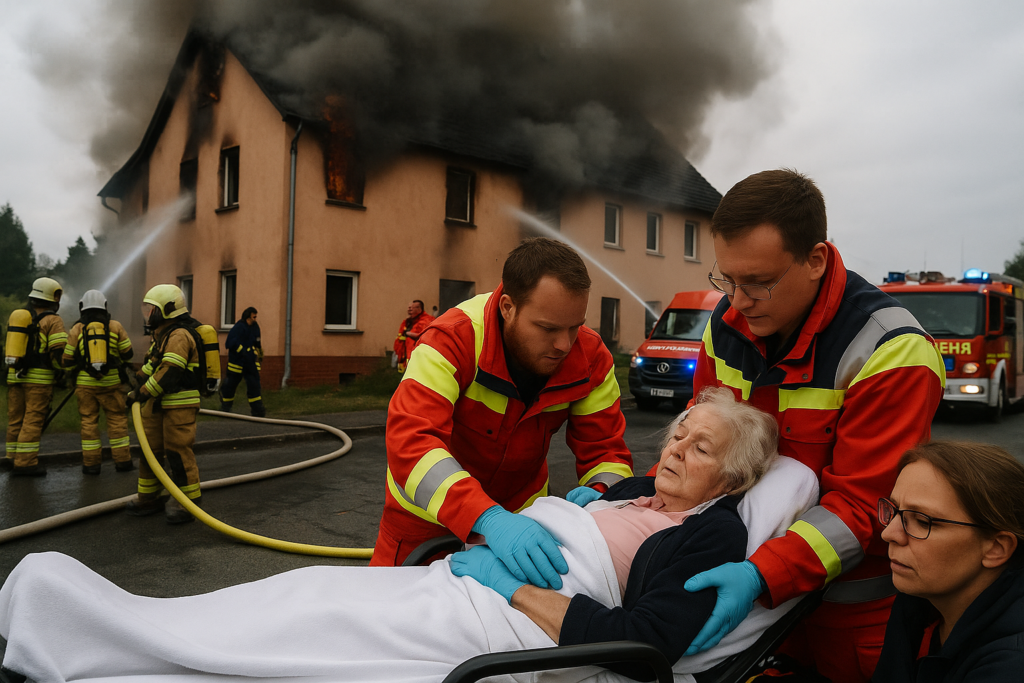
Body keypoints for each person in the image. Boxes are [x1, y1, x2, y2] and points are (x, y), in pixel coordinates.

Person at [0, 391, 815, 683]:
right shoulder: (636, 489)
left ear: (733, 479)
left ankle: (85, 639)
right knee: (303, 592)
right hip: (459, 577)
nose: (672, 449)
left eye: (698, 448)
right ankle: (80, 618)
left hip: (506, 616)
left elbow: (644, 643)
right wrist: (542, 517)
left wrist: (511, 584)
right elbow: (420, 440)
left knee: (313, 623)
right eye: (677, 434)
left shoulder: (710, 539)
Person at [678, 169, 946, 683]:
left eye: (758, 282)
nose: (738, 301)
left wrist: (760, 575)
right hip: (746, 598)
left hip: (851, 614)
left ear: (816, 260)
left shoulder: (892, 350)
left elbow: (862, 507)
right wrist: (630, 501)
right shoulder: (726, 324)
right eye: (726, 280)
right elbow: (700, 445)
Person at [372, 237, 634, 578]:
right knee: (390, 607)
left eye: (575, 326)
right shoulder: (453, 338)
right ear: (508, 307)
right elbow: (412, 443)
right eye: (548, 328)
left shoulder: (591, 358)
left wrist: (602, 496)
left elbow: (607, 453)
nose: (564, 344)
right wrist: (487, 517)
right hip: (425, 520)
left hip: (522, 525)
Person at [873, 441, 1024, 682]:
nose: (889, 533)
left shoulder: (1010, 666)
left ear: (996, 548)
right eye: (894, 511)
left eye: (923, 521)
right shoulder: (918, 600)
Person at [124, 284, 203, 525]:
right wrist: (133, 386)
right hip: (159, 404)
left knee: (177, 453)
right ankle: (150, 497)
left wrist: (143, 393)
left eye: (151, 309)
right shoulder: (162, 336)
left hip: (179, 405)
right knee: (150, 451)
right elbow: (152, 367)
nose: (147, 315)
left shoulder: (179, 335)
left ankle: (187, 503)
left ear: (167, 310)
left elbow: (170, 371)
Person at [61, 289, 134, 475]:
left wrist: (82, 362)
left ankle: (91, 465)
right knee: (117, 422)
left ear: (82, 307)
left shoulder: (77, 329)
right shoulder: (115, 326)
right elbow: (128, 354)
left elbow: (67, 360)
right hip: (112, 384)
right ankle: (123, 462)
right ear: (105, 306)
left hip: (85, 386)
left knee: (88, 423)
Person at [2, 277, 67, 477]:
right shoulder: (53, 320)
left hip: (15, 376)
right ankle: (26, 463)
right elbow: (58, 352)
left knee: (16, 420)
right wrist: (64, 370)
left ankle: (12, 457)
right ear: (54, 297)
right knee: (32, 420)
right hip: (38, 381)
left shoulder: (21, 317)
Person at [220, 306, 264, 417]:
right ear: (248, 317)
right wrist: (243, 351)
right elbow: (230, 343)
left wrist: (259, 352)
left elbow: (257, 342)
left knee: (254, 386)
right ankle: (225, 408)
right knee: (230, 386)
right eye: (254, 317)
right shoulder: (239, 327)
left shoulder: (255, 327)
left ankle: (258, 410)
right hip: (237, 363)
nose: (255, 319)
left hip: (250, 363)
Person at [392, 299, 434, 372]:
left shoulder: (426, 321)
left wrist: (409, 334)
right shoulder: (407, 322)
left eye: (412, 308)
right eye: (409, 308)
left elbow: (424, 337)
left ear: (419, 309)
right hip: (405, 358)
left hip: (419, 360)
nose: (409, 310)